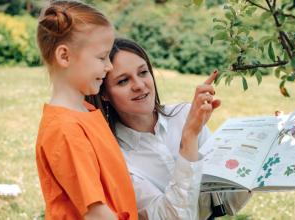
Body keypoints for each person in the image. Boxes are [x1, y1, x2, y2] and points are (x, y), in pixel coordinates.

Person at [87, 38, 252, 220]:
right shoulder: (115, 157)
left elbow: (226, 202)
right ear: (103, 93)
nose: (139, 85)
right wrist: (189, 138)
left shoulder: (184, 115)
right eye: (123, 81)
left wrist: (256, 154)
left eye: (143, 72)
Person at [34, 2, 137, 219]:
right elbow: (95, 213)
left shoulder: (86, 110)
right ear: (64, 56)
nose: (109, 67)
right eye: (102, 57)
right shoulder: (65, 129)